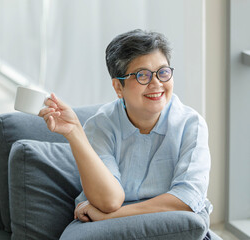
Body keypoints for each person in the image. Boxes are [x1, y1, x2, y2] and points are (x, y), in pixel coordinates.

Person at [38, 29, 212, 238]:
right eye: (142, 75)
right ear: (118, 87)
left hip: (171, 221)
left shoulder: (191, 125)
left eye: (163, 72)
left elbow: (187, 199)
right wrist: (75, 132)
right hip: (102, 220)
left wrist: (113, 216)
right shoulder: (100, 126)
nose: (156, 83)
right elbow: (109, 201)